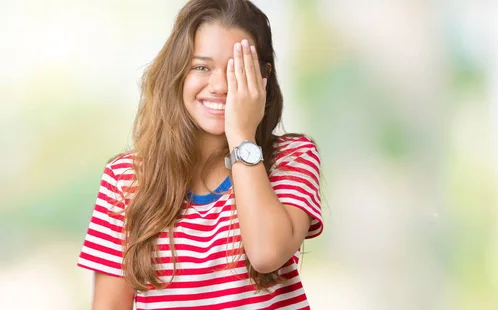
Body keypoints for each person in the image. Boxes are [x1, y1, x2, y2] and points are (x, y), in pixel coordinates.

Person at [76, 0, 323, 309]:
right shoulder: (125, 179)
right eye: (201, 67)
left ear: (263, 78)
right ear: (177, 73)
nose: (219, 86)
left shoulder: (292, 158)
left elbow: (266, 253)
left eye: (236, 70)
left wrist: (242, 137)